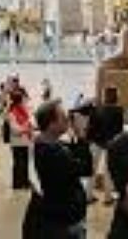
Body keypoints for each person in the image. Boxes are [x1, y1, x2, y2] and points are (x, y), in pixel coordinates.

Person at [32, 100, 88, 238]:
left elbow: (70, 151)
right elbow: (86, 168)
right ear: (51, 124)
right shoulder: (53, 152)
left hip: (59, 214)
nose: (67, 120)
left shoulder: (45, 142)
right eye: (63, 117)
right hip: (65, 219)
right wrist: (81, 135)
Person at [86, 87, 125, 204]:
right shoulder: (119, 110)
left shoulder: (96, 109)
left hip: (96, 142)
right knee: (108, 171)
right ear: (116, 96)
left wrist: (89, 140)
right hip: (111, 143)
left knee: (91, 170)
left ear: (105, 96)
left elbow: (91, 127)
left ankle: (88, 196)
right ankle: (107, 198)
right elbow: (119, 130)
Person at [7, 91, 32, 189]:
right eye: (23, 100)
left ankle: (25, 182)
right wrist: (26, 129)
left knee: (25, 163)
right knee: (18, 163)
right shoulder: (12, 113)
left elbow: (29, 122)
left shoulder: (24, 111)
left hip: (25, 141)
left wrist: (29, 127)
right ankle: (17, 184)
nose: (24, 101)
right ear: (19, 101)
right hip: (16, 142)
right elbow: (14, 129)